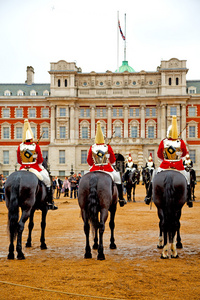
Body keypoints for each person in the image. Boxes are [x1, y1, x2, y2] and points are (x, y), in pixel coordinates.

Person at [144, 116, 193, 208]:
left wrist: (166, 158)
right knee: (187, 179)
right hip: (179, 166)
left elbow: (159, 154)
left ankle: (148, 196)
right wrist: (178, 157)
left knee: (154, 176)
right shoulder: (181, 142)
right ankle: (189, 199)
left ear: (168, 133)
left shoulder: (164, 142)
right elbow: (184, 153)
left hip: (165, 165)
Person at [17, 119, 58, 210]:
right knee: (47, 181)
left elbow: (19, 161)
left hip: (23, 168)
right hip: (34, 168)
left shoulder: (20, 146)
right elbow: (40, 160)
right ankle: (49, 201)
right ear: (31, 138)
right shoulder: (36, 146)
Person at [87, 121, 126, 207]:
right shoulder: (107, 147)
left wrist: (94, 164)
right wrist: (110, 161)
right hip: (107, 169)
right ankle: (121, 199)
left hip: (94, 168)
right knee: (118, 179)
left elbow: (89, 161)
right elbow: (112, 159)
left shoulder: (92, 147)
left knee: (84, 180)